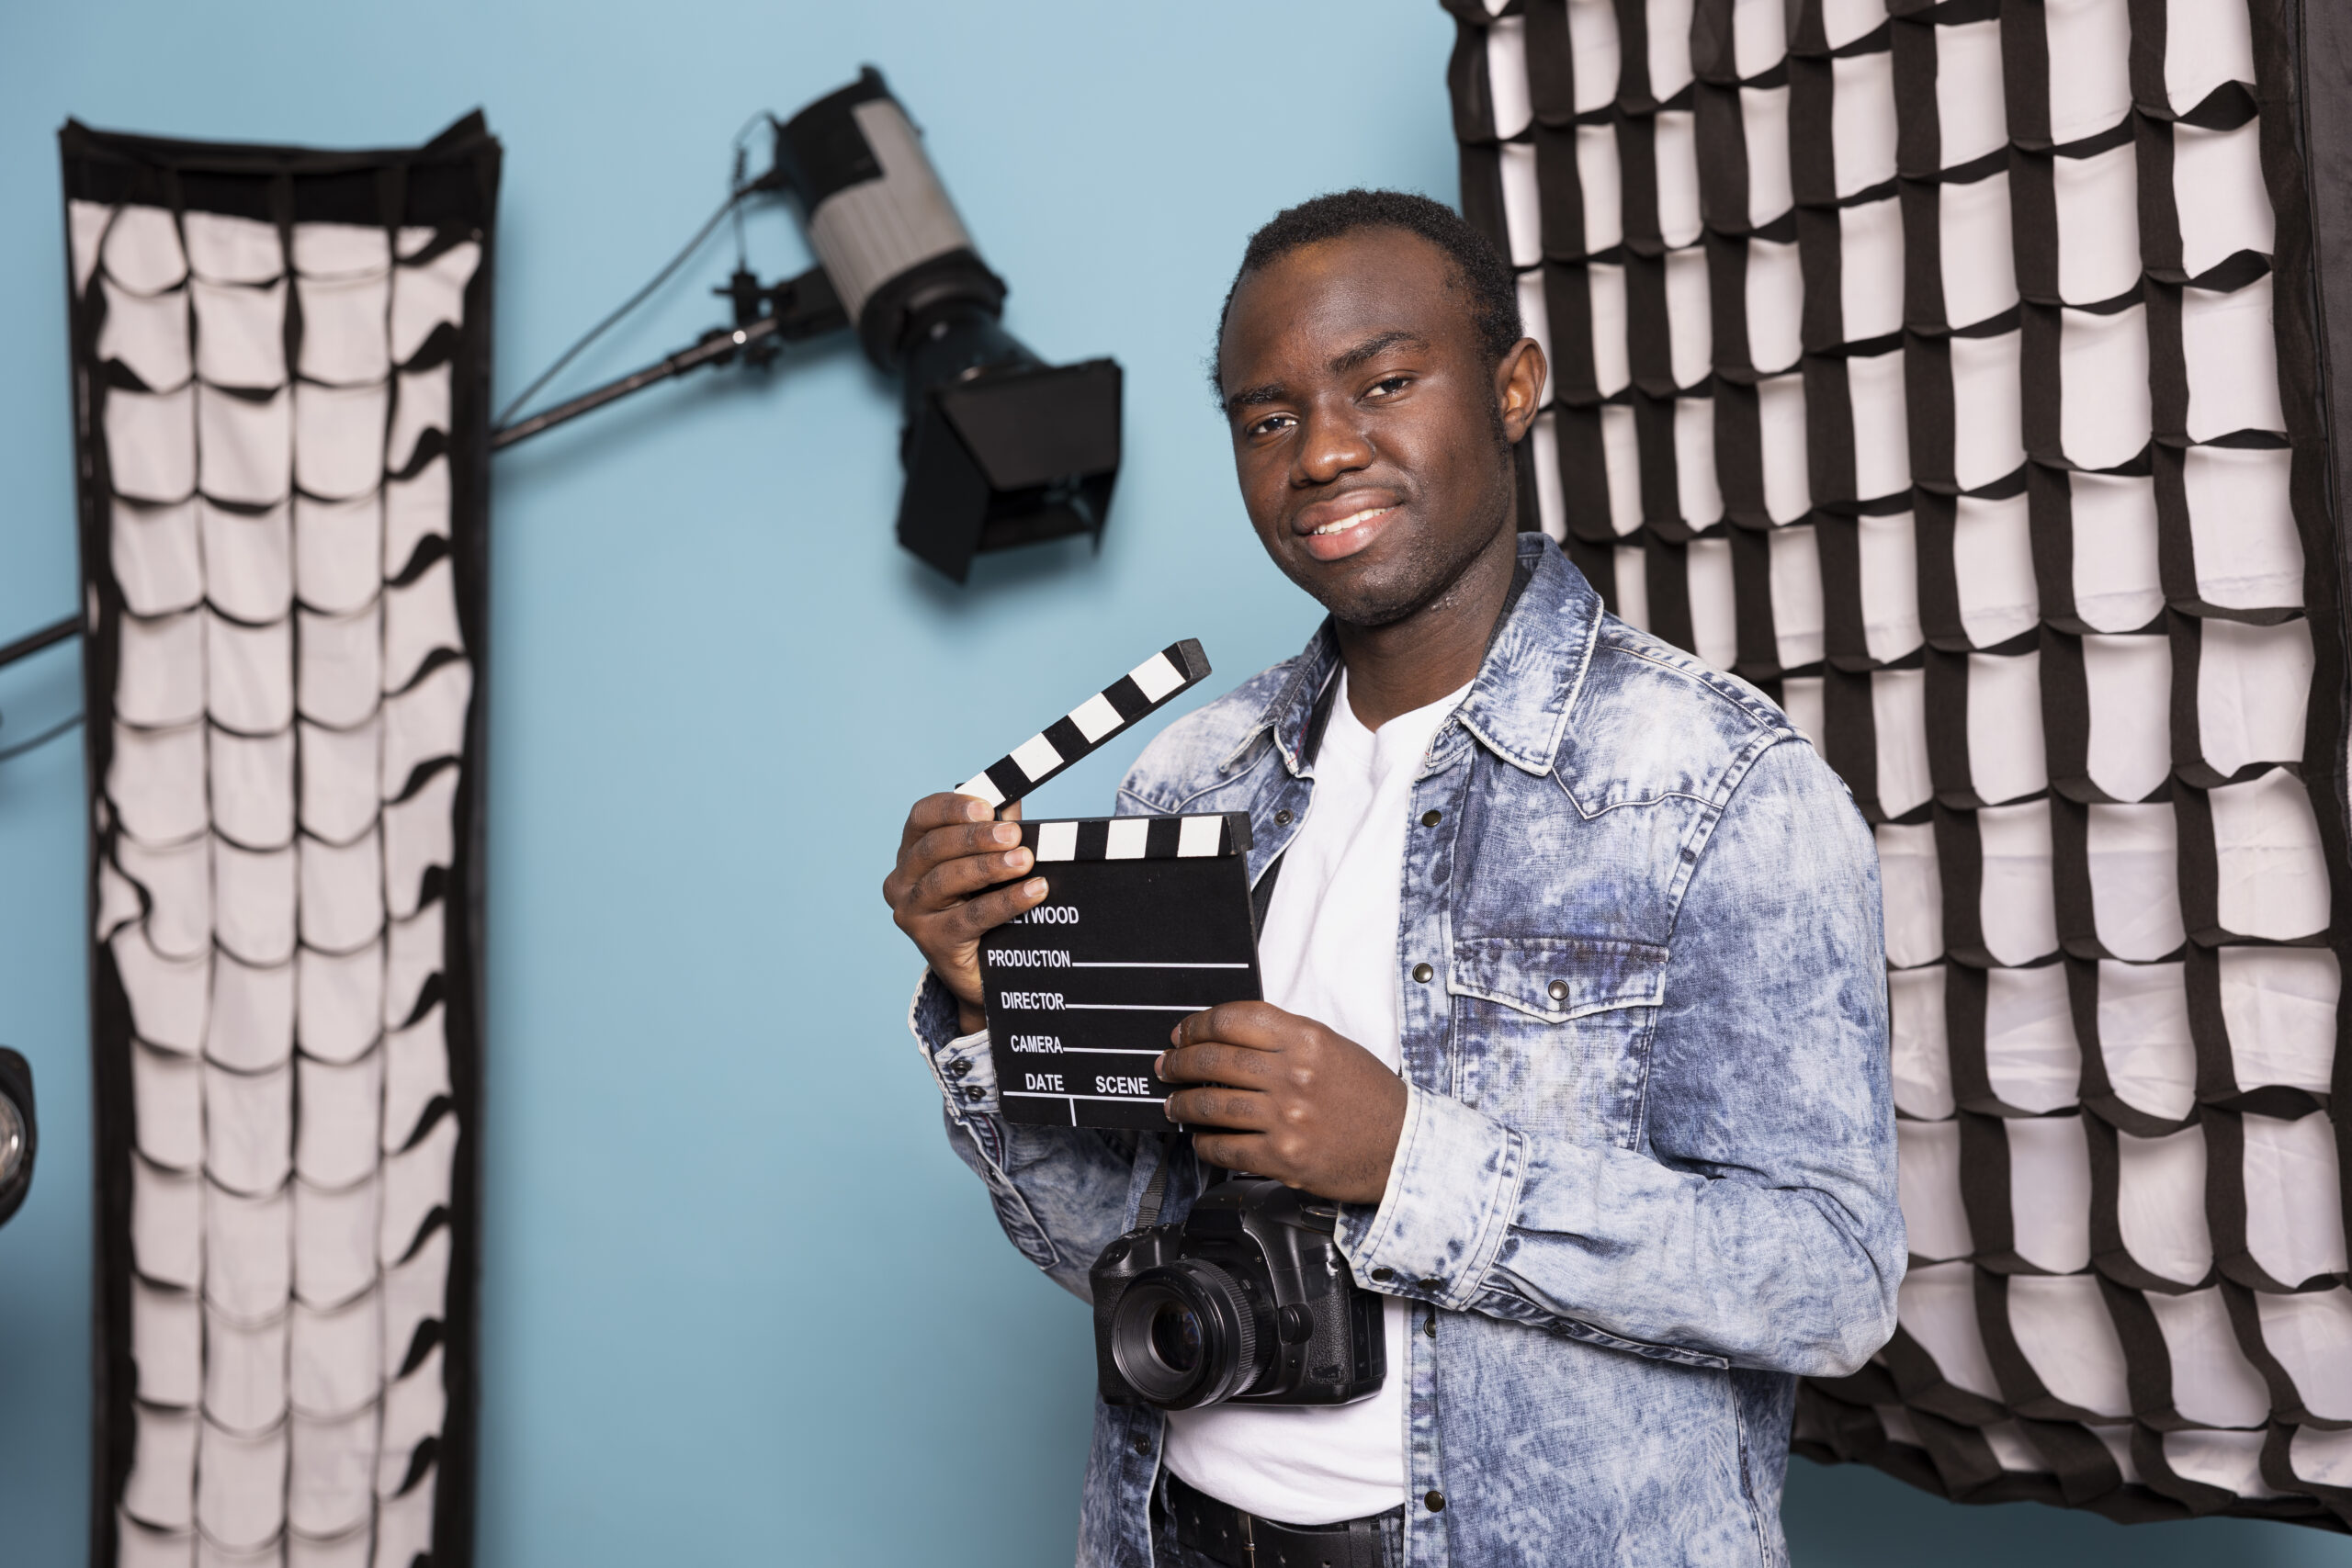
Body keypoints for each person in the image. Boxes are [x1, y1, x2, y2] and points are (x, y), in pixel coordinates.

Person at [882, 188, 1903, 1568]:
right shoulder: (1192, 780)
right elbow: (1116, 1240)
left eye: (1383, 384)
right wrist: (990, 1001)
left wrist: (1410, 1157)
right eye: (1267, 418)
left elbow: (1830, 1279)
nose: (1320, 452)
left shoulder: (1718, 785)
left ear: (1514, 387)